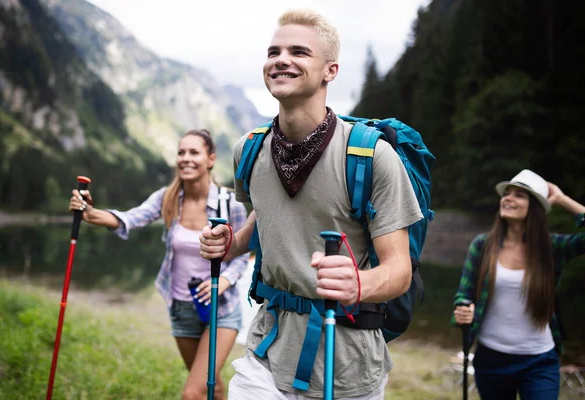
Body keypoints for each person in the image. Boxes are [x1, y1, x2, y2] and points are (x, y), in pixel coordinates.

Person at [199, 9, 423, 399]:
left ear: (330, 71)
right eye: (274, 51)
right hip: (267, 349)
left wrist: (359, 283)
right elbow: (266, 214)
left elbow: (399, 270)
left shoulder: (371, 157)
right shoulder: (248, 150)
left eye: (299, 52)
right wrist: (231, 243)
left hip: (348, 362)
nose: (281, 59)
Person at [68, 129, 249, 400]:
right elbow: (131, 218)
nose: (185, 158)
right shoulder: (168, 198)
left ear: (210, 159)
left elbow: (242, 252)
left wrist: (224, 281)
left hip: (221, 310)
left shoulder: (229, 203)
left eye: (194, 152)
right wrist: (92, 214)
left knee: (192, 392)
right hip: (181, 308)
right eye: (181, 152)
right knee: (213, 386)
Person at [452, 169, 585, 400]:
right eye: (507, 193)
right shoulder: (482, 245)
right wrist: (463, 310)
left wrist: (562, 199)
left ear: (535, 207)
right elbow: (464, 295)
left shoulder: (552, 247)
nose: (508, 198)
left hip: (539, 361)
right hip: (490, 359)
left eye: (519, 195)